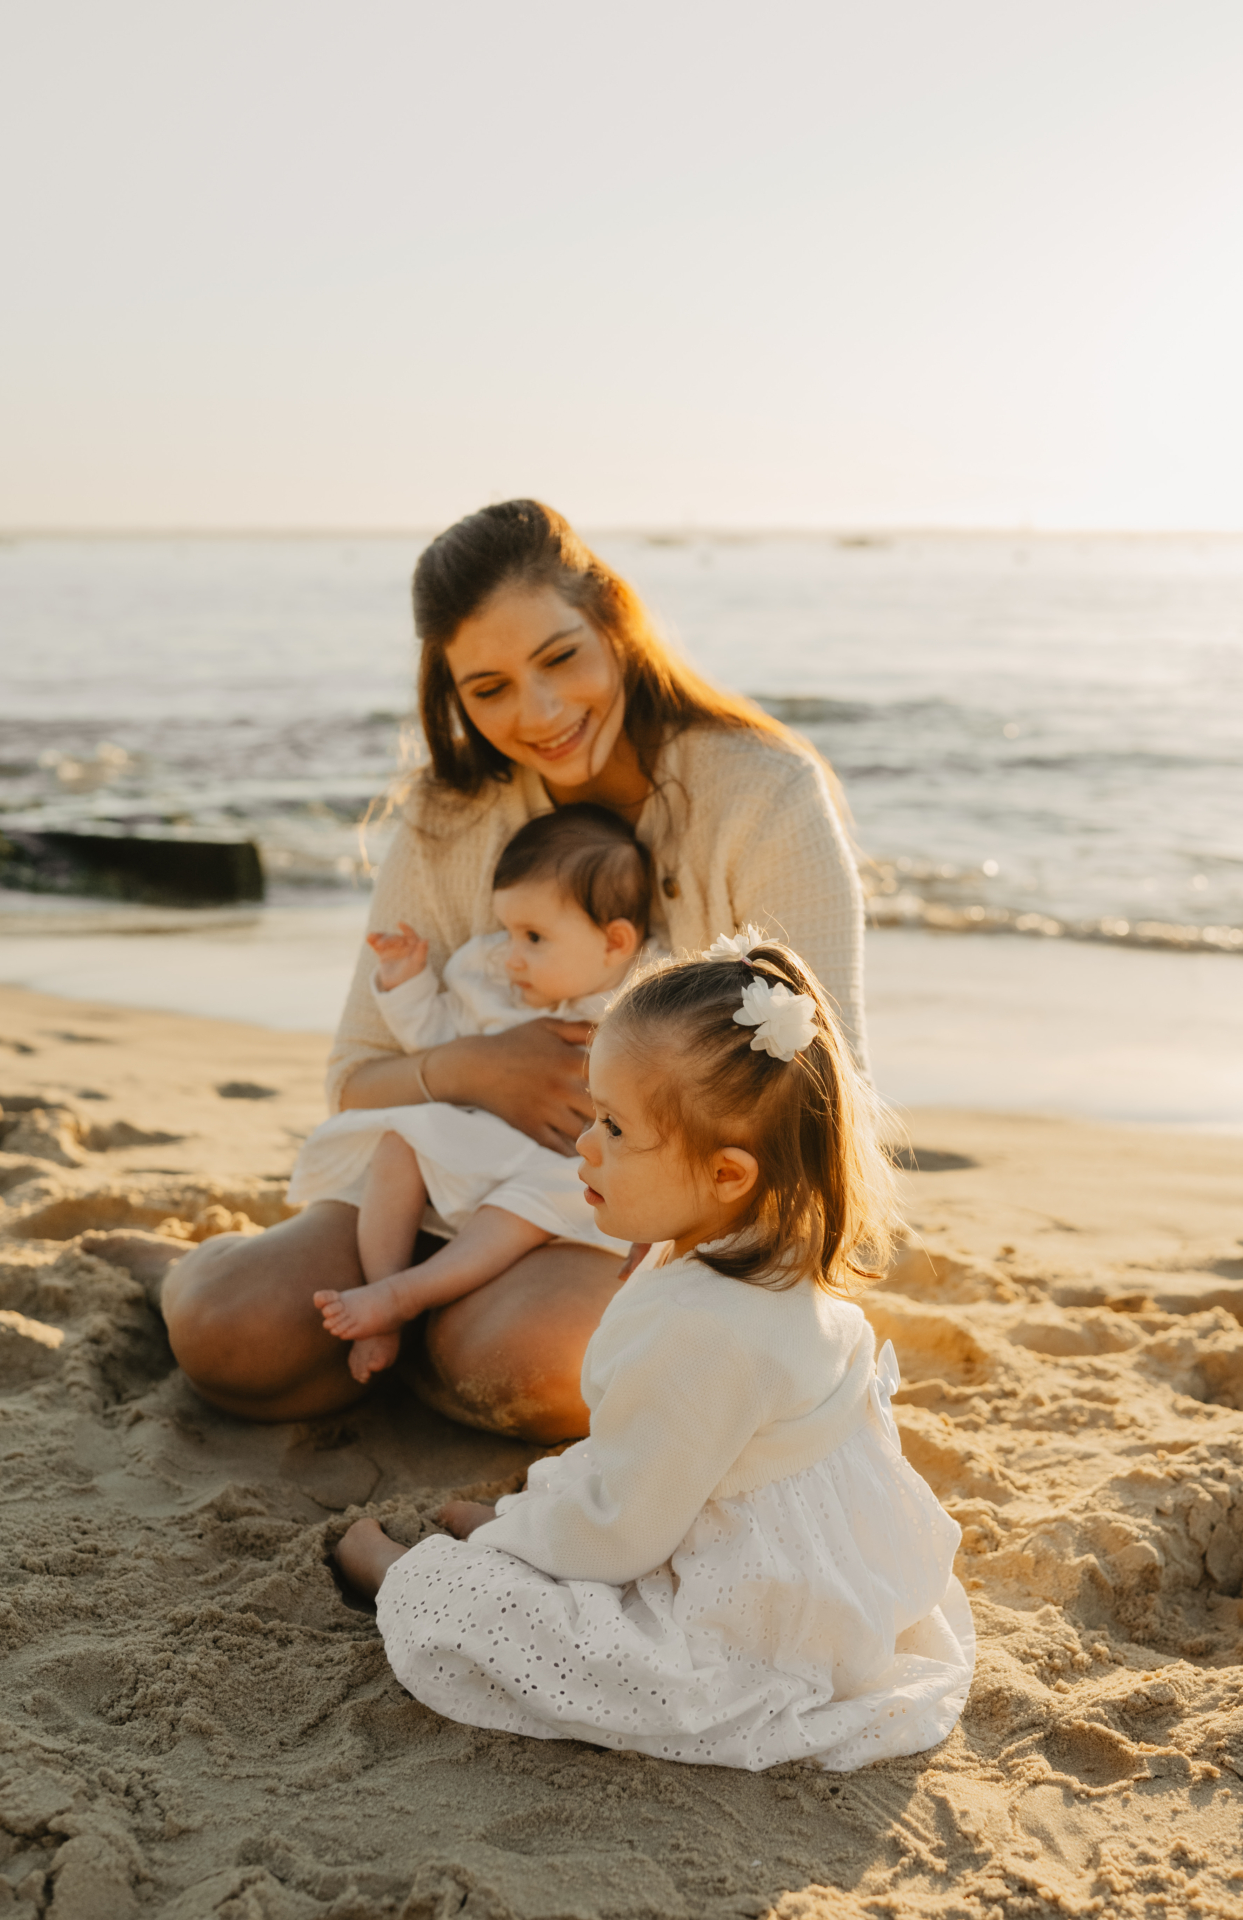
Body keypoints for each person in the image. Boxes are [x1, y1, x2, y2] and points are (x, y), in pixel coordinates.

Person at [154, 499, 868, 1435]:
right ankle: (264, 1292)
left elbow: (823, 1094)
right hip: (442, 1177)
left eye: (561, 658)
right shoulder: (448, 815)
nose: (539, 716)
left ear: (614, 619)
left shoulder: (763, 794)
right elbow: (353, 1080)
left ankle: (414, 1335)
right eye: (487, 689)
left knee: (528, 1362)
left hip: (606, 1212)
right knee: (226, 1335)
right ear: (452, 694)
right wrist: (476, 1070)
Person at [333, 940, 974, 1771]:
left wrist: (515, 1544)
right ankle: (516, 1534)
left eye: (614, 1127)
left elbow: (623, 1530)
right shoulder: (763, 1252)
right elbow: (652, 1466)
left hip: (756, 1602)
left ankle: (399, 1577)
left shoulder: (708, 1328)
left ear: (727, 1173)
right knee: (563, 1523)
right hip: (775, 1533)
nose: (583, 1149)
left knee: (577, 1651)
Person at [292, 806, 660, 1383]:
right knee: (400, 1141)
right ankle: (380, 1285)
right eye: (508, 931)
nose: (511, 954)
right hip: (479, 1138)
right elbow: (436, 1040)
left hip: (557, 1165)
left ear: (615, 942)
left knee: (531, 1201)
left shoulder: (645, 1004)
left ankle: (407, 1295)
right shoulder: (490, 979)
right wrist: (404, 981)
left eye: (534, 937)